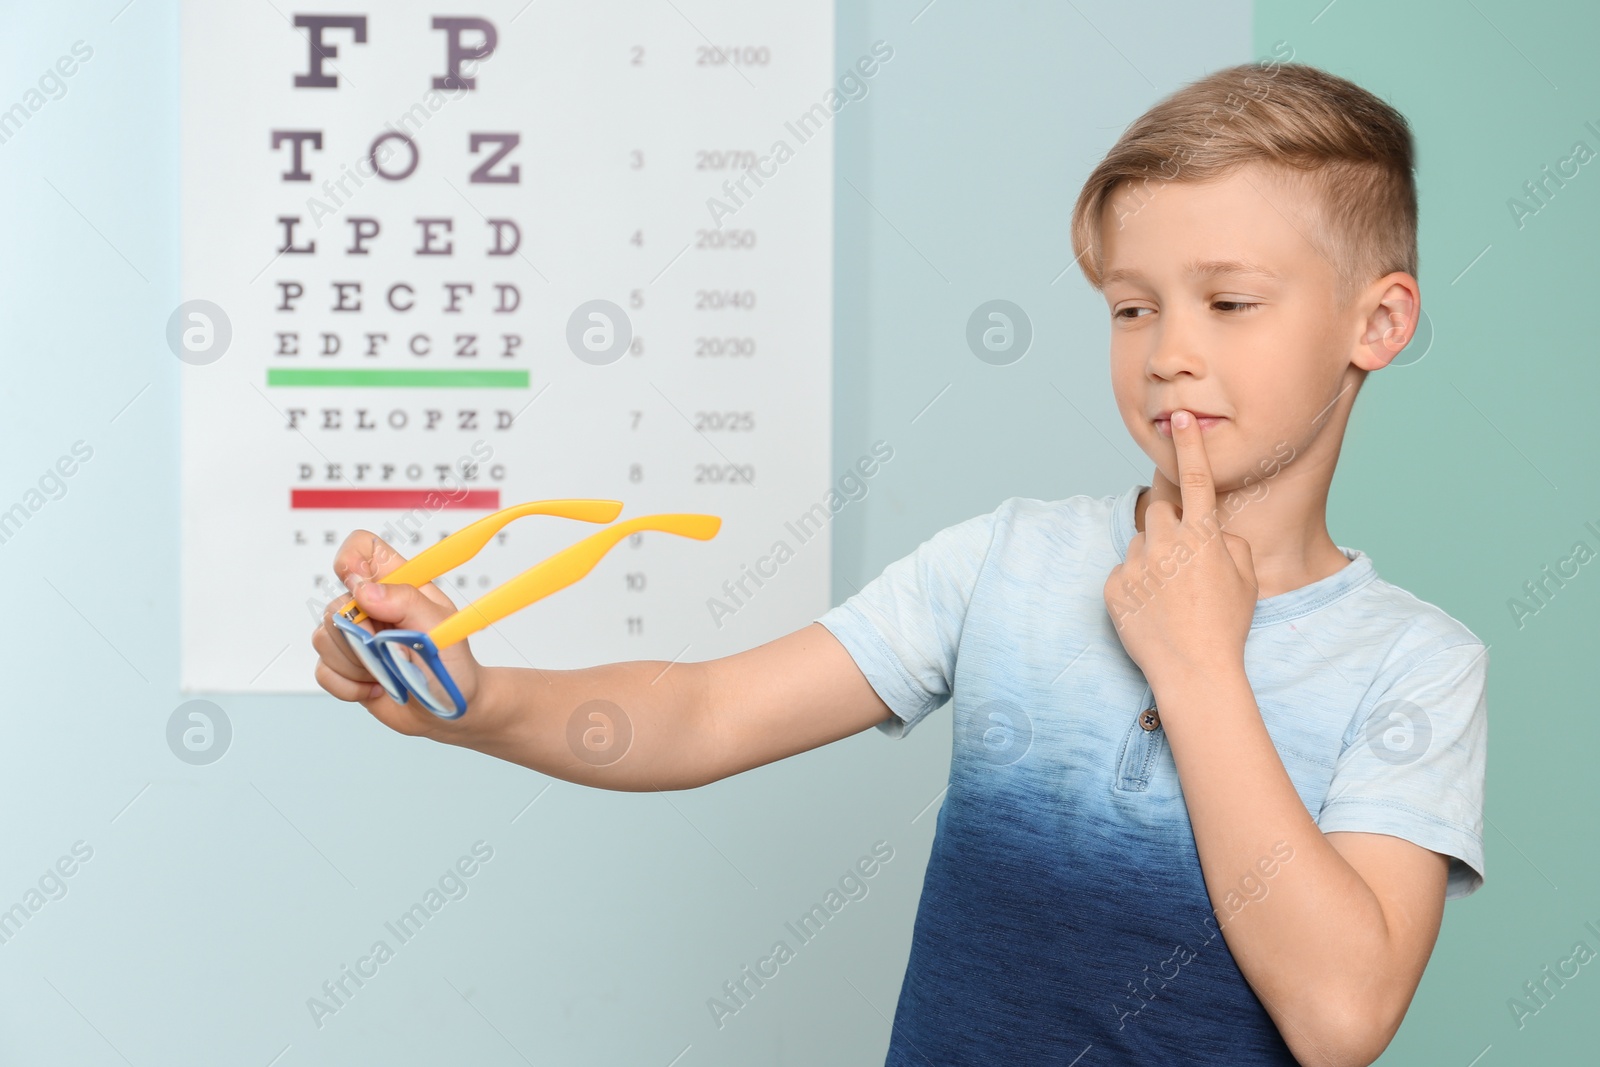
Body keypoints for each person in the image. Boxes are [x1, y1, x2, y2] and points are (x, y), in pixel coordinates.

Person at [312, 58, 1487, 1066]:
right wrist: (481, 698)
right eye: (1132, 309)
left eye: (1228, 301)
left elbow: (1340, 1015)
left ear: (1376, 324)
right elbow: (706, 711)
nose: (1170, 353)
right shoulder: (1008, 560)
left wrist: (1199, 669)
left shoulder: (1417, 665)